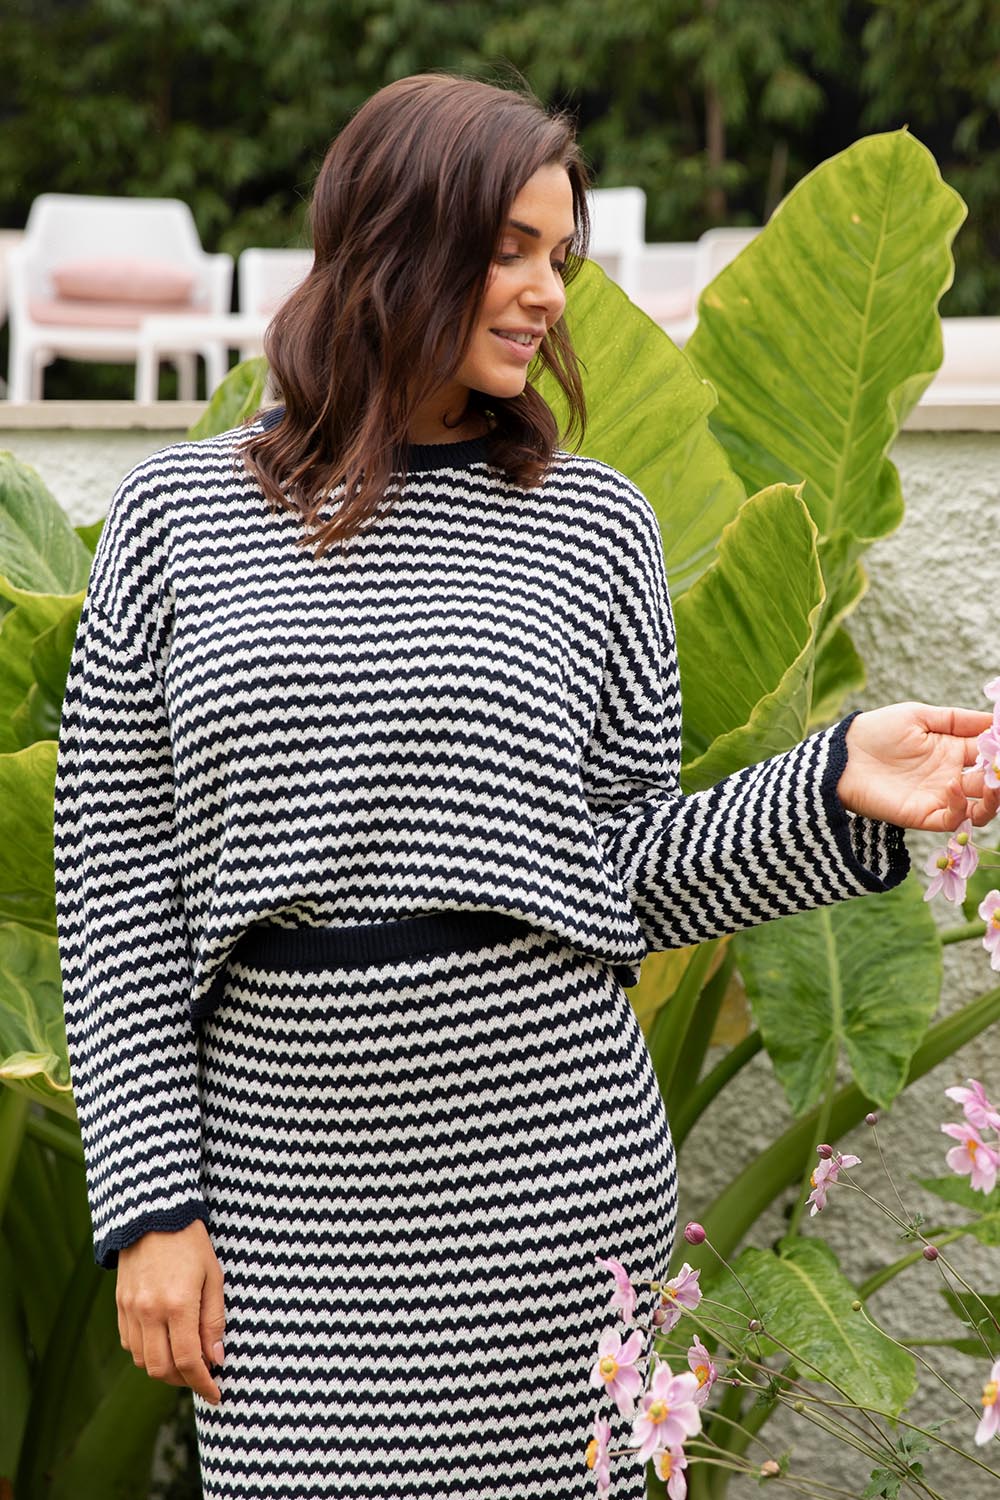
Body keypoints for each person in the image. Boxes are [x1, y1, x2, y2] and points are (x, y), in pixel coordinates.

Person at [52, 73, 997, 1500]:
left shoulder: (592, 527)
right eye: (508, 247)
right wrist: (149, 1209)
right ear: (392, 241)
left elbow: (616, 866)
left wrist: (839, 786)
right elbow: (116, 890)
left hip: (551, 1184)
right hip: (281, 1202)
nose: (548, 290)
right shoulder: (177, 523)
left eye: (558, 255)